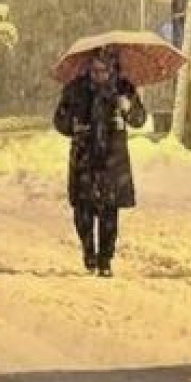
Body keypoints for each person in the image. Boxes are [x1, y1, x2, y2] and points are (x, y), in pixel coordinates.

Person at [53, 47, 146, 276]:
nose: (99, 73)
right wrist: (72, 126)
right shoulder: (75, 89)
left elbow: (140, 119)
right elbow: (59, 120)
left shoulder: (124, 89)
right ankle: (88, 251)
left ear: (112, 67)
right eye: (95, 68)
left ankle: (105, 260)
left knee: (109, 213)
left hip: (112, 161)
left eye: (104, 69)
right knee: (83, 212)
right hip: (84, 158)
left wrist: (129, 108)